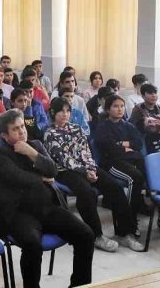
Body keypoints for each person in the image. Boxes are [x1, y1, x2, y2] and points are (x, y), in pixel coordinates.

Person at [0, 109, 95, 288]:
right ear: (4, 135)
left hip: (47, 208)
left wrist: (32, 153)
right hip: (18, 214)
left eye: (23, 126)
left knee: (86, 235)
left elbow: (52, 170)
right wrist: (41, 179)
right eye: (15, 129)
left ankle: (80, 284)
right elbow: (18, 177)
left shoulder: (35, 145)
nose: (22, 131)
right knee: (32, 244)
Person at [44, 98, 141, 252]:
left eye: (68, 111)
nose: (65, 114)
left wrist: (91, 168)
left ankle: (124, 233)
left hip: (86, 167)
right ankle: (96, 235)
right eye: (61, 111)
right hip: (64, 171)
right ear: (53, 113)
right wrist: (85, 172)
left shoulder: (76, 128)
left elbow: (86, 152)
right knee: (87, 192)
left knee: (114, 187)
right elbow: (63, 159)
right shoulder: (50, 133)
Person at [93, 95, 149, 220]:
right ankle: (129, 215)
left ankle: (137, 206)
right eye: (115, 106)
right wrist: (126, 147)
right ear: (107, 110)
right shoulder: (103, 127)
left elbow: (138, 144)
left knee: (146, 172)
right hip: (112, 162)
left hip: (129, 159)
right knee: (135, 178)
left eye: (122, 106)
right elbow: (110, 149)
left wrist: (122, 144)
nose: (120, 109)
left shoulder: (128, 126)